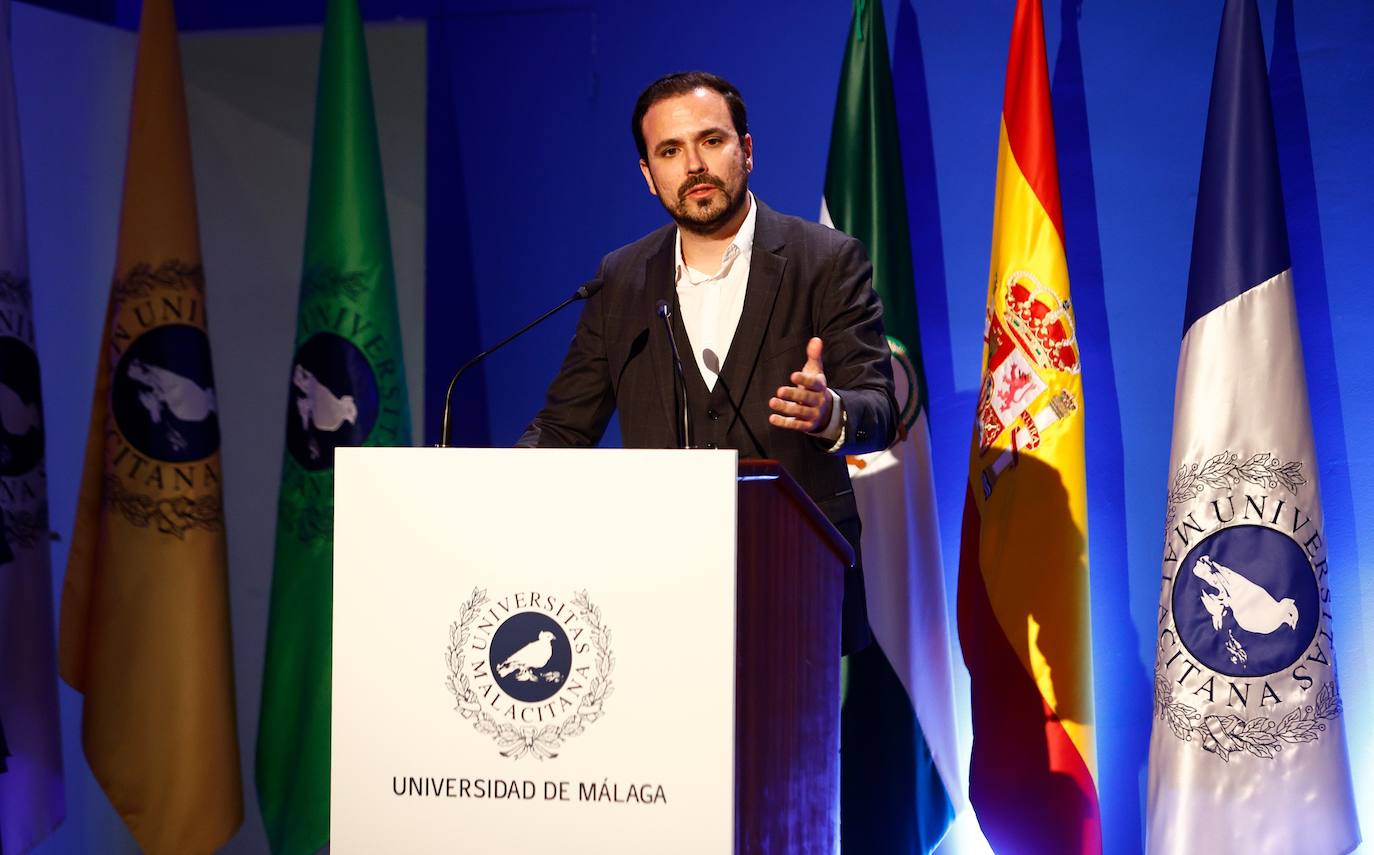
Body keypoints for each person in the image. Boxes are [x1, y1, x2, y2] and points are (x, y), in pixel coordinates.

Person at [519, 71, 897, 652]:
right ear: (649, 176)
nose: (693, 164)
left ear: (746, 150)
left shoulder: (825, 260)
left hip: (794, 574)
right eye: (669, 151)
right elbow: (565, 426)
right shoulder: (621, 279)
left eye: (711, 141)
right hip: (659, 580)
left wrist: (830, 413)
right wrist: (493, 485)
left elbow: (879, 408)